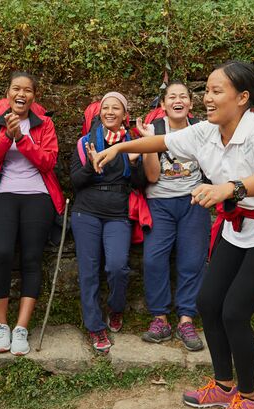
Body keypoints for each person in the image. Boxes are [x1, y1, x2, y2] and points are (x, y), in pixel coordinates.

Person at [93, 61, 254, 409]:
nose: (206, 98)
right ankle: (224, 385)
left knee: (234, 313)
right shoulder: (207, 131)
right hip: (235, 227)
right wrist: (119, 148)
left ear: (242, 97)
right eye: (206, 91)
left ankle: (248, 398)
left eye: (216, 91)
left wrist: (230, 188)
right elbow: (162, 141)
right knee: (209, 303)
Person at [0, 71, 65, 356]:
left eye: (28, 90)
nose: (22, 94)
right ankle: (1, 326)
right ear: (7, 94)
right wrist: (6, 136)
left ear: (33, 97)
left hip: (37, 196)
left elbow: (48, 161)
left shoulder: (45, 125)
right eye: (16, 88)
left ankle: (21, 328)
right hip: (3, 195)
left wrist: (23, 139)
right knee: (1, 253)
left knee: (31, 258)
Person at [135, 81, 208, 352]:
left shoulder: (202, 129)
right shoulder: (154, 130)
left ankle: (186, 319)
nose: (178, 100)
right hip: (160, 203)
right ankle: (160, 319)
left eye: (183, 96)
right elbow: (152, 176)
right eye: (172, 97)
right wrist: (147, 142)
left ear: (190, 103)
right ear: (163, 104)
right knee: (154, 259)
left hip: (194, 201)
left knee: (192, 260)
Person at [71, 92, 146, 352]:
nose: (110, 112)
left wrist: (136, 164)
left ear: (125, 115)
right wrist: (92, 166)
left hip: (118, 212)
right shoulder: (85, 143)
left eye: (117, 108)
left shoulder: (132, 144)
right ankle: (95, 327)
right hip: (86, 212)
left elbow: (140, 184)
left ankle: (115, 308)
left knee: (117, 267)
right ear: (99, 113)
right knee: (89, 272)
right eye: (106, 108)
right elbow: (75, 181)